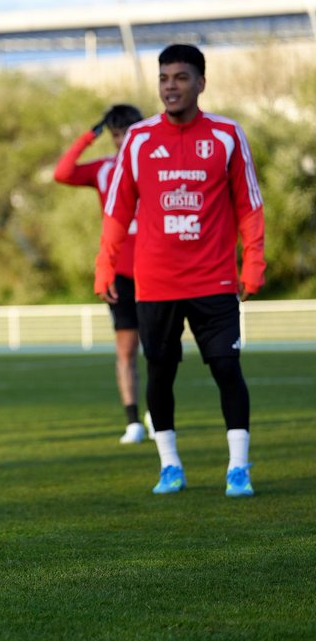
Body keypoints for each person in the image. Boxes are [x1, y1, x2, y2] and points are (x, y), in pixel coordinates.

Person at [95, 44, 265, 498]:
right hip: (156, 283)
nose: (171, 87)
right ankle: (170, 465)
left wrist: (253, 262)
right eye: (164, 78)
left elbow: (249, 205)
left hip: (214, 279)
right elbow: (117, 210)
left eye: (181, 77)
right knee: (160, 373)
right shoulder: (139, 138)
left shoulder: (227, 134)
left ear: (201, 83)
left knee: (226, 367)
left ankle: (238, 468)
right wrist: (105, 265)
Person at [54, 103, 149, 444]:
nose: (121, 141)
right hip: (121, 271)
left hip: (155, 268)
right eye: (116, 135)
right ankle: (132, 421)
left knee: (158, 348)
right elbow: (62, 172)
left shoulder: (156, 163)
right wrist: (90, 134)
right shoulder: (105, 169)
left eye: (127, 134)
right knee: (126, 349)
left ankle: (158, 412)